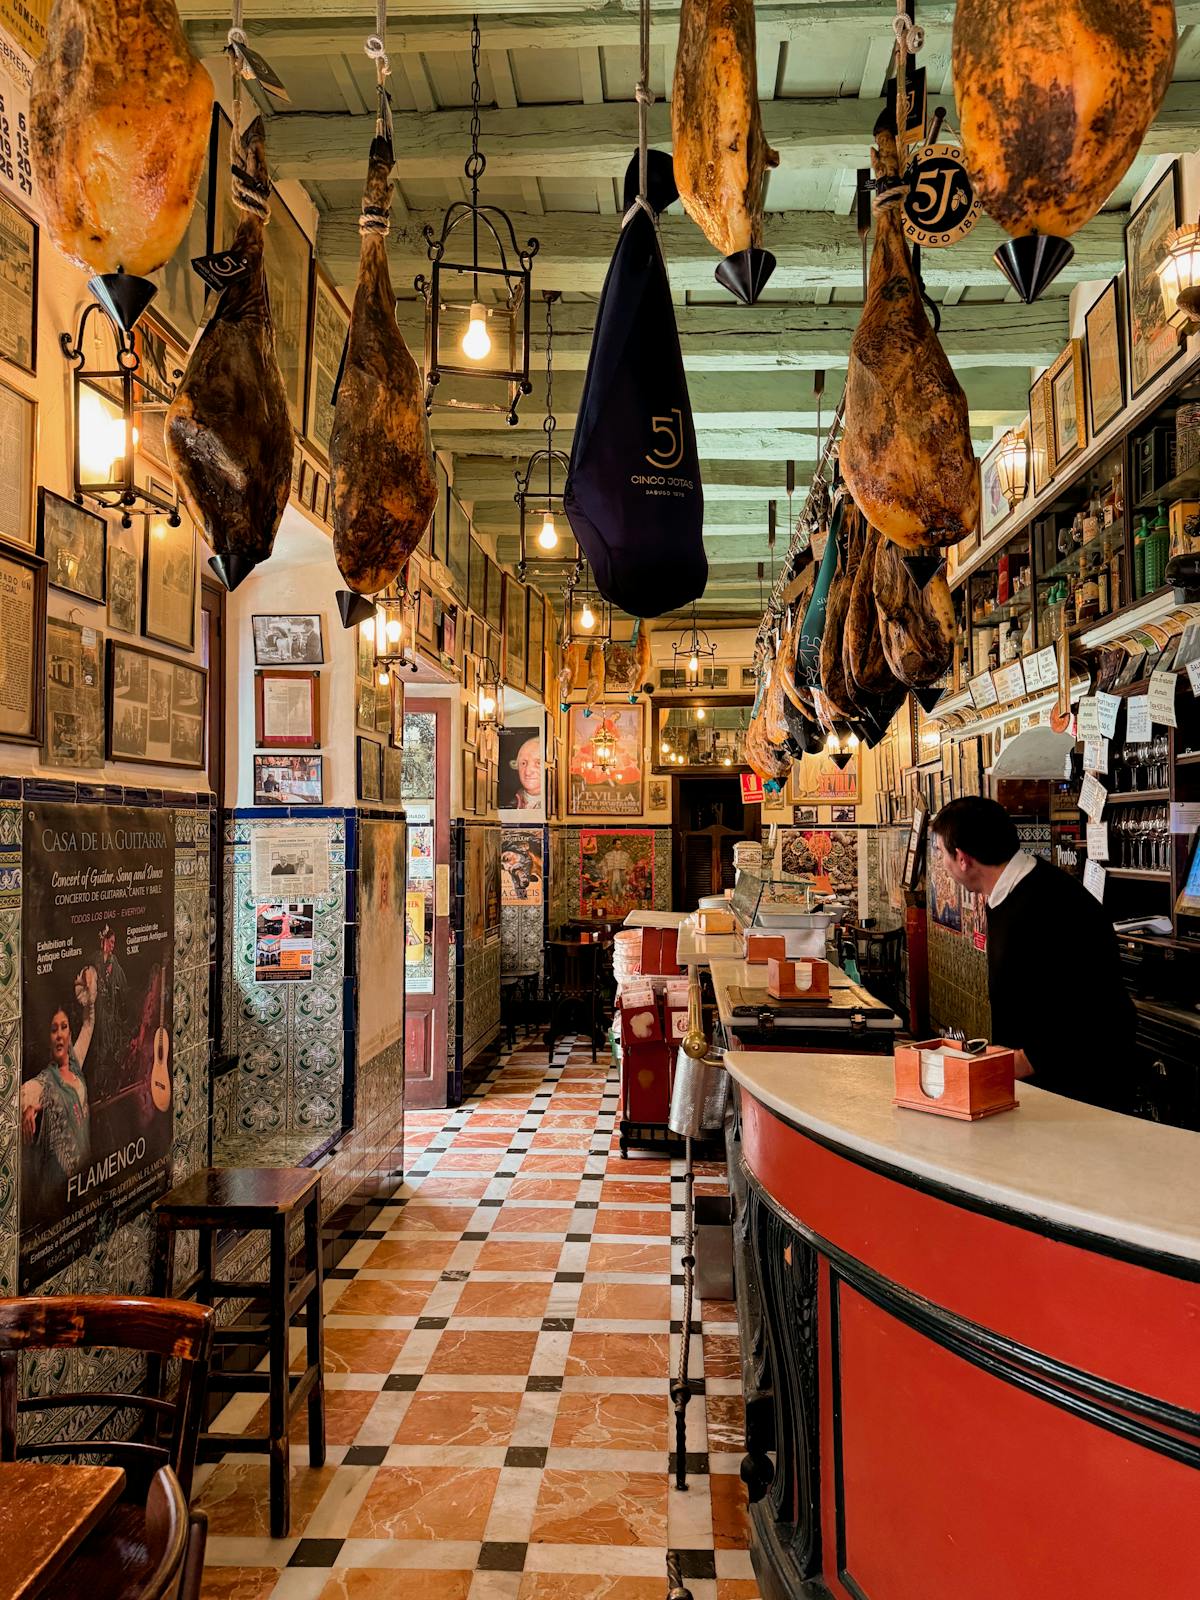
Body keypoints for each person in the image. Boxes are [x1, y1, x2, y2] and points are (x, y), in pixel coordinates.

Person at [930, 796, 1136, 1110]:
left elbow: (1099, 1011)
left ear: (962, 858)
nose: (941, 864)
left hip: (1081, 1100)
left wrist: (1026, 1060)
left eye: (940, 853)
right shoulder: (1009, 893)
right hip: (1039, 1094)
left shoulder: (1051, 904)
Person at [21, 968, 98, 1206]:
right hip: (57, 1194)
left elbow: (89, 1024)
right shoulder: (45, 1082)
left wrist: (87, 992)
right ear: (48, 1038)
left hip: (84, 1181)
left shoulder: (76, 1065)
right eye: (54, 1030)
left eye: (64, 1027)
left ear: (70, 1033)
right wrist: (27, 1110)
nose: (59, 1035)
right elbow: (23, 1095)